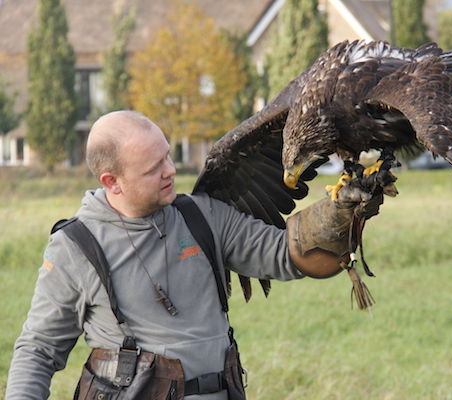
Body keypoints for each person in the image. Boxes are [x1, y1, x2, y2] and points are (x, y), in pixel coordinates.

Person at [5, 110, 383, 400]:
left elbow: (289, 255)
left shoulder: (201, 216)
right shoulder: (77, 246)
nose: (171, 171)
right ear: (111, 182)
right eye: (154, 168)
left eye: (168, 157)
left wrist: (338, 215)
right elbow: (38, 350)